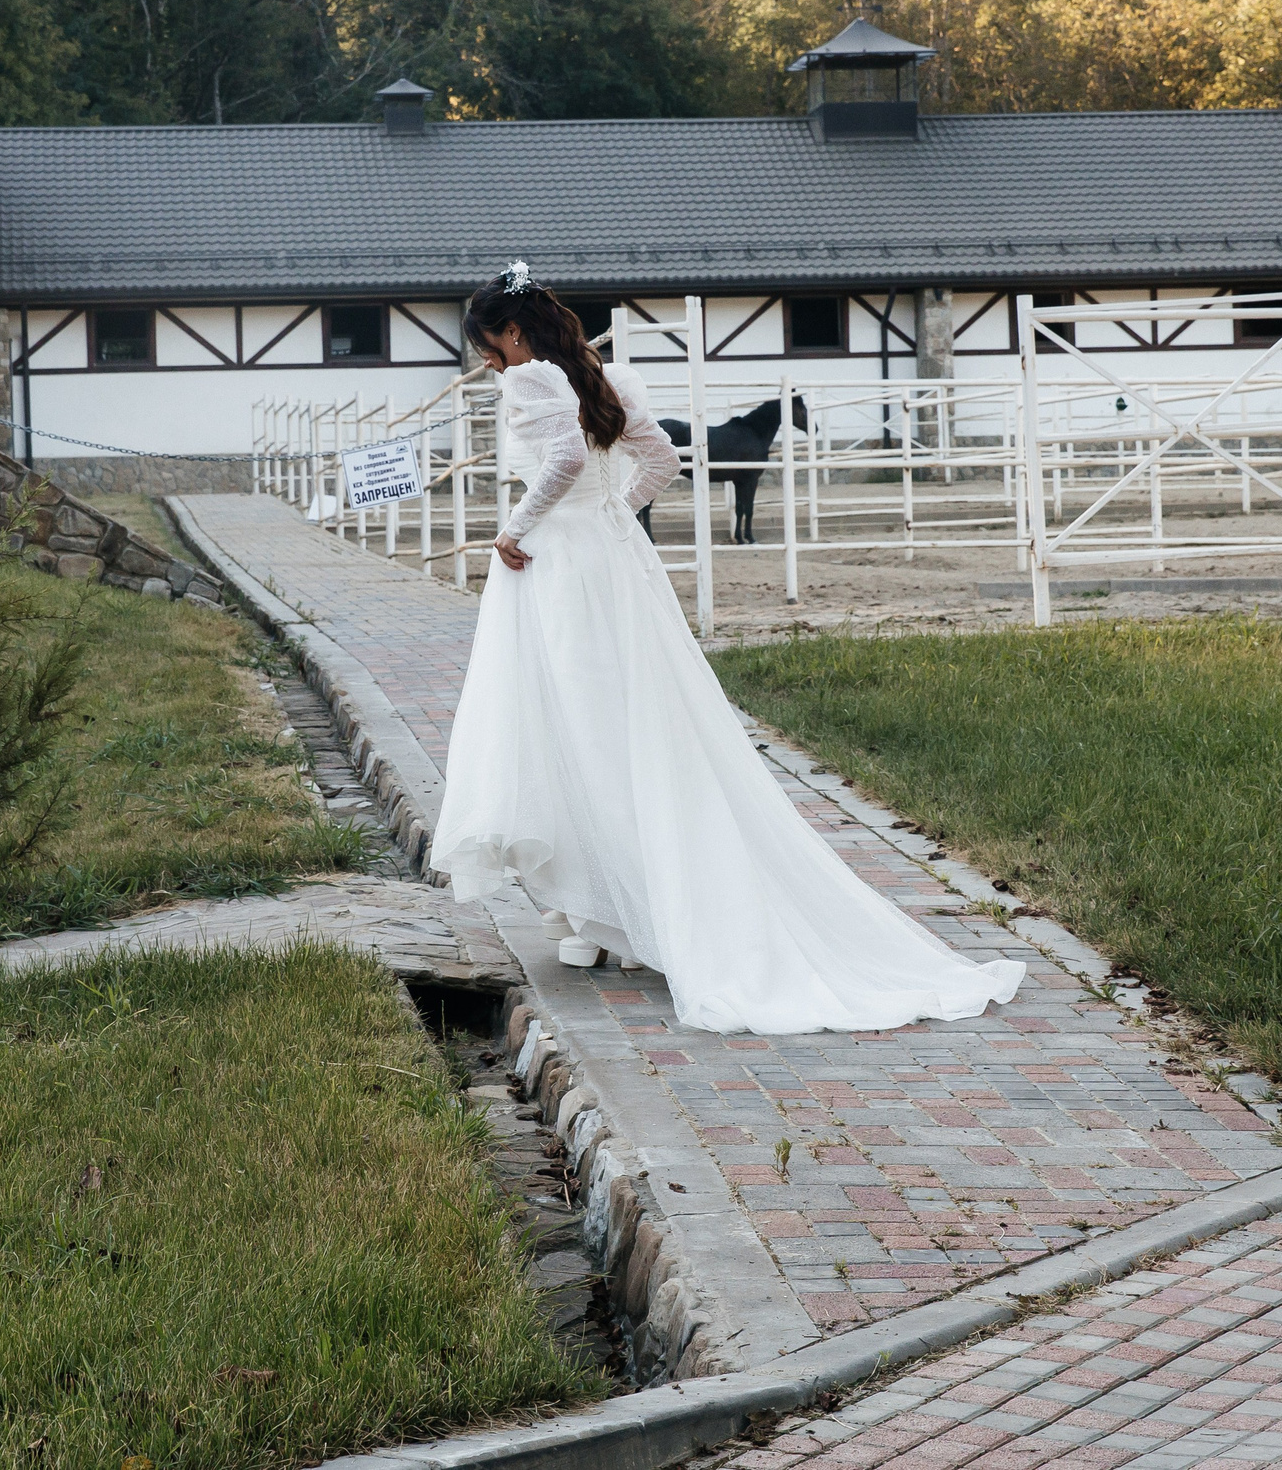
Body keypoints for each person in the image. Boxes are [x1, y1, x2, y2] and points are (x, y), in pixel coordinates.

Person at [430, 261, 1026, 1035]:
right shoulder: (600, 378)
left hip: (558, 566)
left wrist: (518, 528)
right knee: (624, 726)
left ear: (513, 332)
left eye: (489, 345)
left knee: (574, 727)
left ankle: (598, 910)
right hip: (611, 563)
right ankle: (612, 907)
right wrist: (610, 516)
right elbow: (661, 462)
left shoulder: (531, 379)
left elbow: (566, 459)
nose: (488, 361)